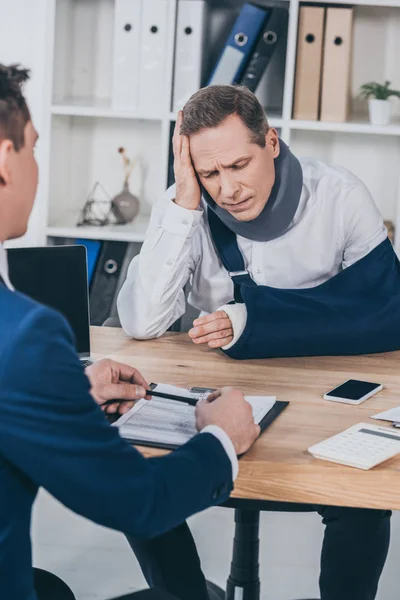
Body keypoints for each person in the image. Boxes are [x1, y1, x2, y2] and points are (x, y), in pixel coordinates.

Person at [118, 85, 391, 600]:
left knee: (364, 497)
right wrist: (183, 200)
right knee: (137, 473)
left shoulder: (337, 195)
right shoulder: (184, 205)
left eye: (239, 164)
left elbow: (383, 313)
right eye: (210, 172)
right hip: (221, 398)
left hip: (322, 401)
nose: (228, 189)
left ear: (271, 141)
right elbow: (141, 321)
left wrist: (252, 320)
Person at [0, 64, 260, 600]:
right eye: (33, 148)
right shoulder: (24, 336)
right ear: (6, 159)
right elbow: (138, 501)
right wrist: (222, 438)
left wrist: (63, 394)